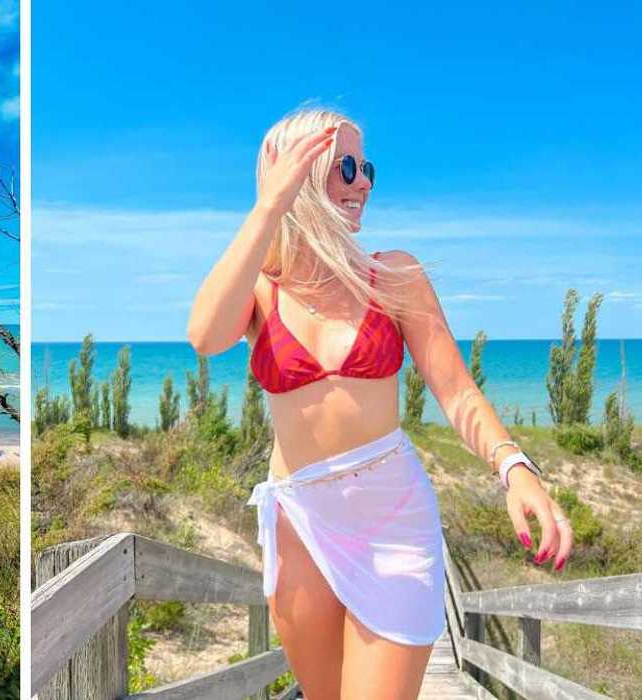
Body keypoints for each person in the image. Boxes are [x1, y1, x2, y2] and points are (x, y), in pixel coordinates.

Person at [185, 107, 572, 699]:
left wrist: (514, 468)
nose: (363, 181)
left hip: (392, 519)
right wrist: (268, 208)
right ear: (299, 175)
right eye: (345, 166)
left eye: (368, 167)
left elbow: (456, 389)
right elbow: (206, 337)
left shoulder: (394, 275)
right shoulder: (262, 286)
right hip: (299, 523)